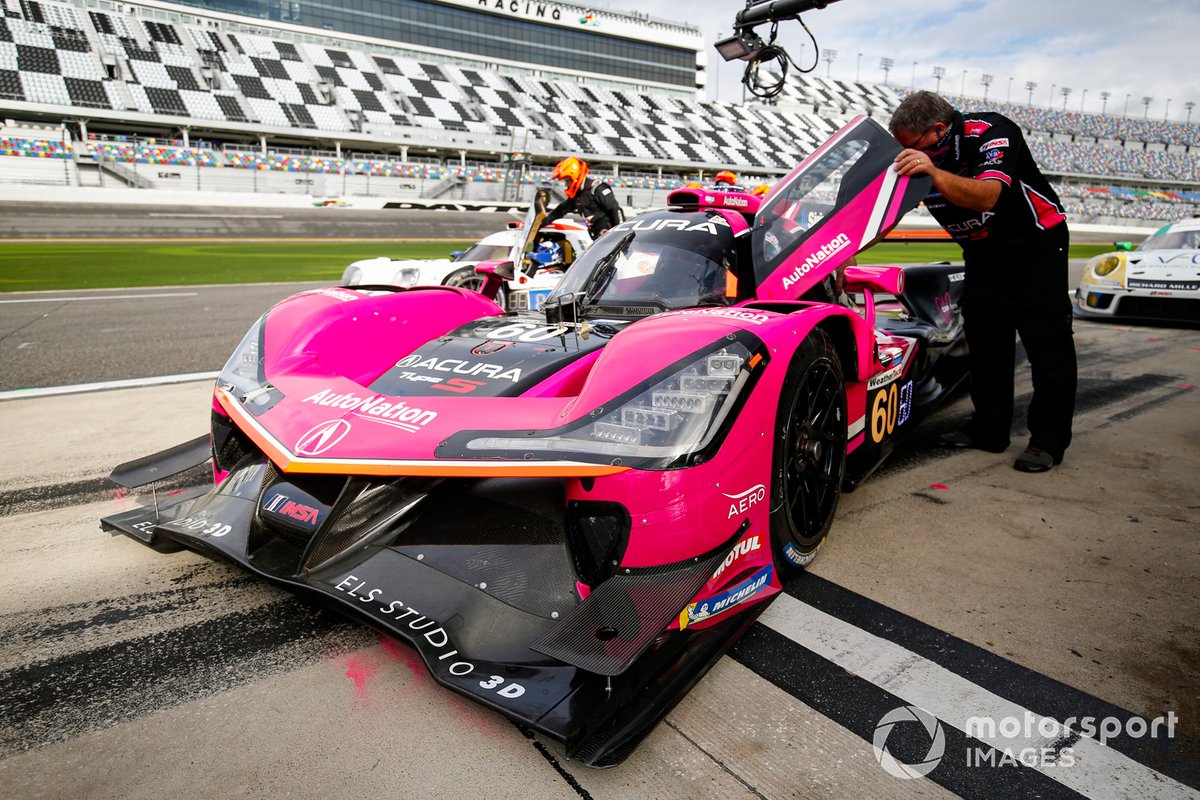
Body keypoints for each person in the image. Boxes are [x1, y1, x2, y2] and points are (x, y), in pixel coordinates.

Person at [890, 90, 1076, 474]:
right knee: (986, 345)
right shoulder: (921, 154)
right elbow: (885, 211)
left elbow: (989, 195)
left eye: (911, 146)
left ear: (938, 130)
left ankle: (1048, 440)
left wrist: (934, 173)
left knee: (1047, 345)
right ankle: (989, 430)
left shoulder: (992, 132)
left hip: (1036, 248)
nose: (906, 154)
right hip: (983, 254)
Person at [543, 156, 623, 240]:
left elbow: (615, 209)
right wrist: (542, 222)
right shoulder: (578, 195)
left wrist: (621, 235)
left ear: (574, 177)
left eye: (567, 181)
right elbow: (560, 210)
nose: (566, 184)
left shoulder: (597, 188)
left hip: (608, 237)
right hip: (596, 237)